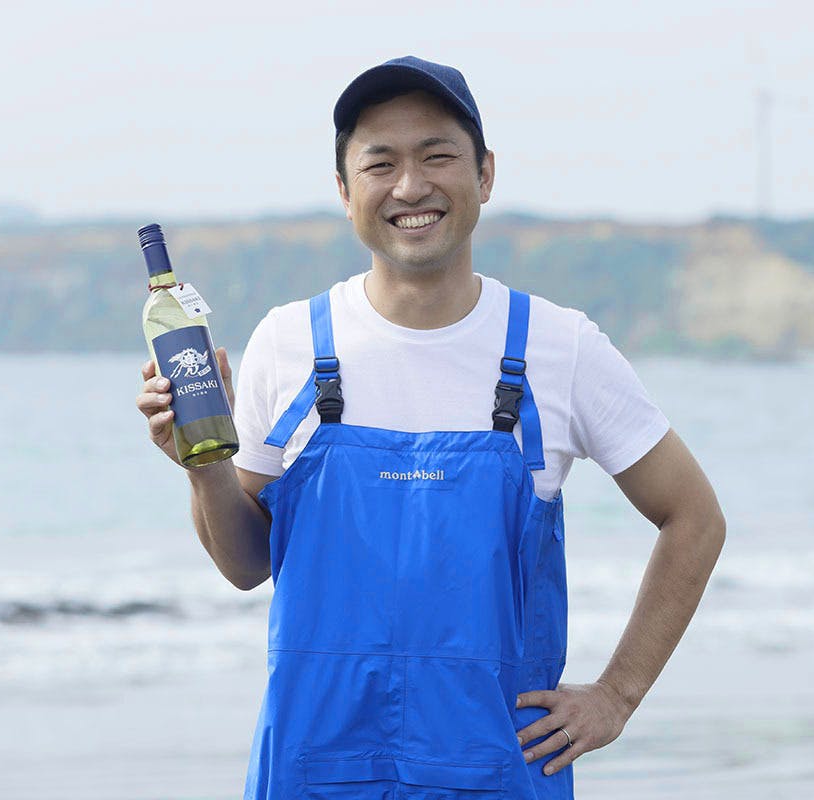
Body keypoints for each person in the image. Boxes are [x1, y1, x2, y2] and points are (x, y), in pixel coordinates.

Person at [136, 55, 725, 800]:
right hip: (313, 770)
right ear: (345, 192)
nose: (410, 187)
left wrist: (618, 694)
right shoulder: (286, 343)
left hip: (500, 771)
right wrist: (205, 466)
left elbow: (694, 517)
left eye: (437, 156)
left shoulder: (560, 347)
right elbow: (246, 564)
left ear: (485, 174)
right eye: (379, 164)